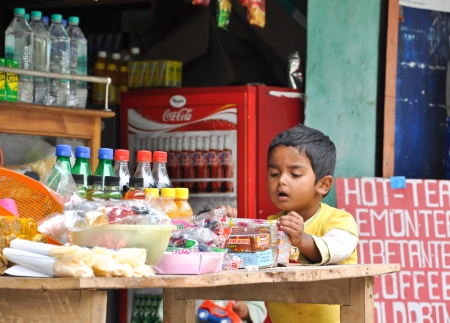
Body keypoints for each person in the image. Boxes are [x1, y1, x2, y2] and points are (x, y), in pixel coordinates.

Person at [220, 124, 359, 323]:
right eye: (274, 173)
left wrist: (302, 240)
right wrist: (225, 230)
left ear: (323, 184)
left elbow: (338, 248)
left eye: (294, 174)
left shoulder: (338, 221)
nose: (281, 181)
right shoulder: (270, 226)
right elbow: (241, 260)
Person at [157, 299, 267, 323]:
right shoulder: (187, 279)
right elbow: (168, 311)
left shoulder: (247, 278)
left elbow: (260, 310)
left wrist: (246, 311)